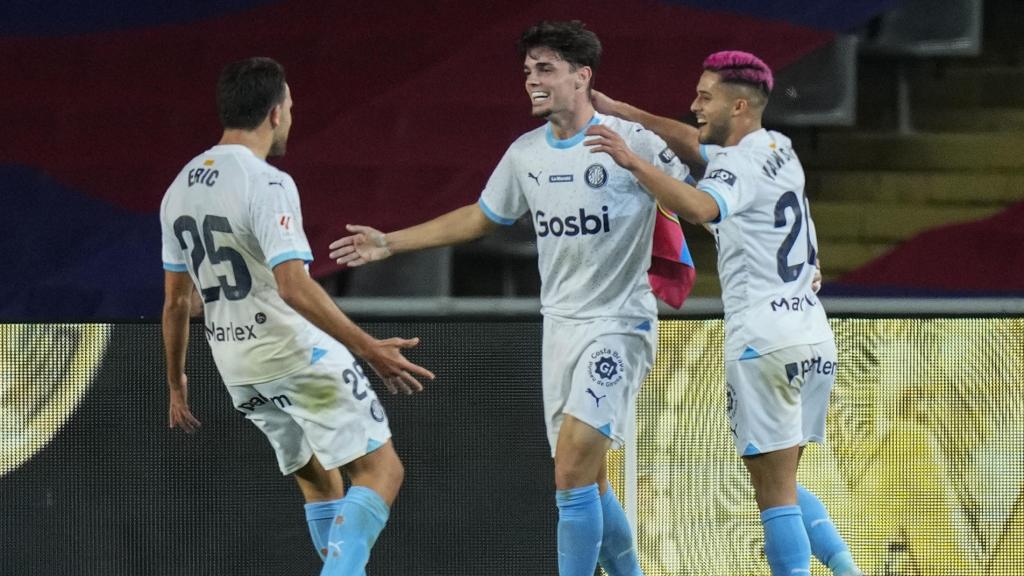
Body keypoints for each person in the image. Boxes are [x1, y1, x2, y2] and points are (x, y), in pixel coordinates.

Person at [328, 20, 692, 576]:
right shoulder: (526, 154)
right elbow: (481, 216)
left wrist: (773, 256)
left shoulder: (631, 143)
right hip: (560, 331)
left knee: (569, 474)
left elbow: (695, 203)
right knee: (589, 481)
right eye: (527, 71)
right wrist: (390, 242)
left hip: (619, 325)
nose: (532, 81)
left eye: (545, 69)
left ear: (582, 76)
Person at [584, 51, 861, 576]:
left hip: (763, 341)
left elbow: (700, 207)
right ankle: (847, 568)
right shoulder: (780, 148)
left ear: (738, 106)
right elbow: (696, 146)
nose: (694, 106)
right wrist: (631, 113)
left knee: (773, 495)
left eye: (704, 97)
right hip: (811, 336)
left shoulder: (734, 166)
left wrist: (632, 160)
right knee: (783, 479)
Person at [159, 56, 434, 576]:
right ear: (276, 114)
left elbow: (176, 303)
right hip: (295, 354)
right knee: (381, 471)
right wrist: (365, 345)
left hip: (237, 368)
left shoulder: (179, 189)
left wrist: (176, 383)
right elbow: (293, 285)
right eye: (290, 107)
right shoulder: (267, 183)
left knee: (320, 482)